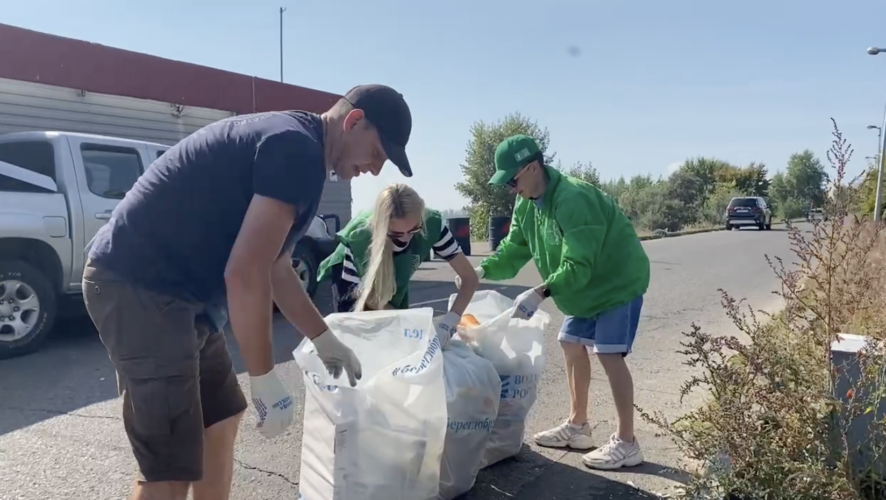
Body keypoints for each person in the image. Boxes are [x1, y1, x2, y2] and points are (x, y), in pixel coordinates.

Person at [82, 84, 413, 500]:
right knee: (169, 465)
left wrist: (324, 338)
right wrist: (263, 378)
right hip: (141, 287)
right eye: (378, 153)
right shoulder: (297, 150)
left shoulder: (303, 150)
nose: (375, 169)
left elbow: (275, 268)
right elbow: (245, 273)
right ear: (354, 121)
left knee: (220, 418)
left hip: (182, 298)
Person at [456, 135, 650, 470]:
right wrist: (480, 270)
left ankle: (627, 443)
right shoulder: (527, 202)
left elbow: (579, 263)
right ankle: (578, 427)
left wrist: (540, 292)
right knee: (570, 343)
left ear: (533, 167)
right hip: (581, 289)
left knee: (608, 352)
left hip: (616, 281)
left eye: (512, 180)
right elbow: (514, 249)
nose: (511, 189)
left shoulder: (574, 198)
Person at [318, 183, 480, 342]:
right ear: (383, 227)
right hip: (355, 287)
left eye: (413, 231)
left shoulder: (432, 225)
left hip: (390, 274)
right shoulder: (360, 240)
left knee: (402, 338)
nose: (405, 239)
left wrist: (449, 322)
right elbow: (366, 298)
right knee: (362, 340)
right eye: (396, 234)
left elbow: (469, 278)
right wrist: (409, 324)